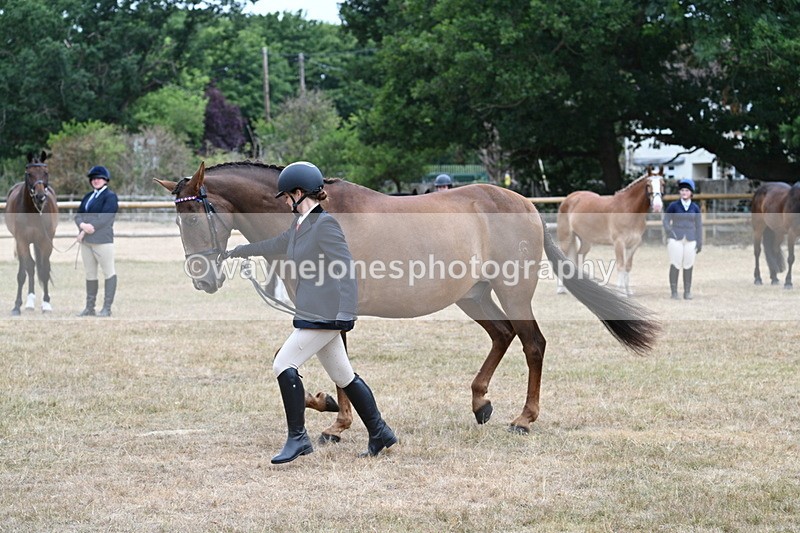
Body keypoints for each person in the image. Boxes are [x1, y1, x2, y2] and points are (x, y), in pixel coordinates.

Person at [224, 161, 397, 464]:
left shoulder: (325, 224)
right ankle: (380, 431)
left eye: (288, 197)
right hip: (315, 310)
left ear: (300, 193)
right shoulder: (301, 224)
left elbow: (346, 269)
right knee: (344, 375)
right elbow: (279, 244)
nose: (287, 203)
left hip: (325, 314)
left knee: (283, 364)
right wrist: (240, 251)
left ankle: (298, 439)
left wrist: (346, 313)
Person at [75, 165, 119, 316]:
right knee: (90, 274)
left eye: (99, 178)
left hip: (102, 241)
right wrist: (82, 225)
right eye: (93, 179)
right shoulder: (88, 197)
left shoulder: (110, 197)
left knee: (108, 272)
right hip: (87, 242)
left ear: (105, 180)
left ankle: (107, 307)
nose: (96, 181)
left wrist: (88, 227)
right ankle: (90, 307)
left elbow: (105, 217)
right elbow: (78, 215)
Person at [663, 177, 702, 300]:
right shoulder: (674, 206)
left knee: (688, 265)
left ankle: (687, 291)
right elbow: (665, 220)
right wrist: (669, 231)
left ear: (691, 193)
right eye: (682, 190)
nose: (684, 192)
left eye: (686, 190)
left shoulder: (695, 208)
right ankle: (674, 291)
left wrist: (699, 241)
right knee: (675, 263)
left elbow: (699, 225)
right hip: (676, 238)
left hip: (691, 238)